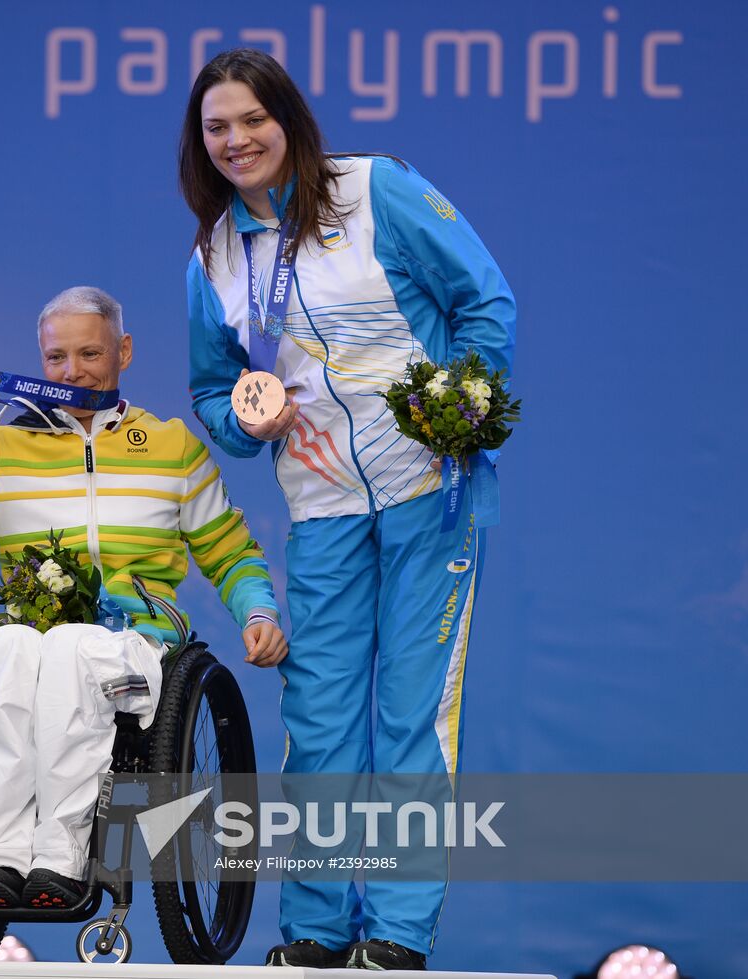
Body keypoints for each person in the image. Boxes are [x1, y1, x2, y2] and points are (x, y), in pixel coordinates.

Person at [179, 49, 516, 970]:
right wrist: (250, 419)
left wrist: (466, 405)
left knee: (410, 714)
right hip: (321, 507)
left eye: (254, 119)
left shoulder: (376, 191)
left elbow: (484, 302)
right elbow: (216, 396)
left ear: (287, 117)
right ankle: (319, 932)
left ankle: (398, 935)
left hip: (427, 492)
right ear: (199, 143)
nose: (238, 140)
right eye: (218, 127)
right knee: (321, 719)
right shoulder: (212, 256)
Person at [0, 285, 286, 910]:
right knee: (8, 654)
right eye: (56, 359)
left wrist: (258, 610)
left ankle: (61, 856)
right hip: (34, 634)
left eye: (90, 353)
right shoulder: (0, 449)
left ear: (124, 351)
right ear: (40, 359)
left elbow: (230, 551)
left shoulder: (174, 446)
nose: (72, 371)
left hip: (139, 643)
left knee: (75, 649)